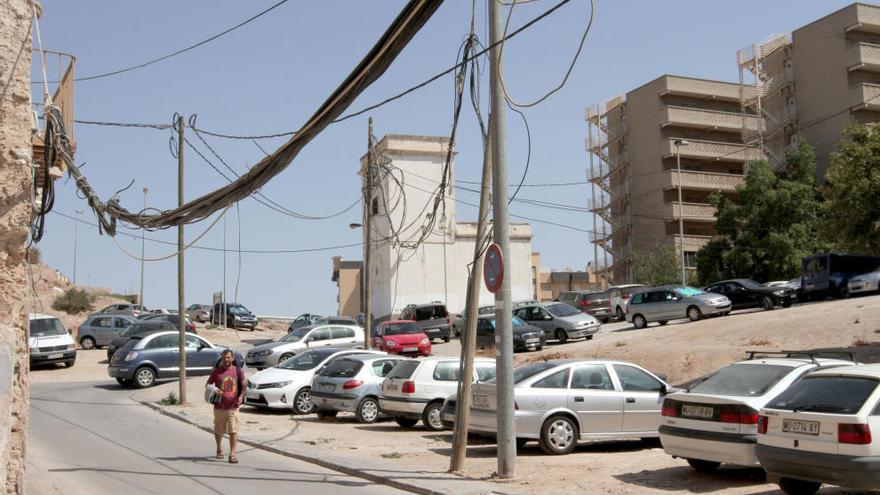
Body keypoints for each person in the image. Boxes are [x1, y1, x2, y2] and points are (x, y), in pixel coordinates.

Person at [206, 349, 245, 463]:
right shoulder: (217, 372)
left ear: (232, 358)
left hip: (233, 407)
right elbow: (208, 384)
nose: (226, 360)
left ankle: (232, 454)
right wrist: (214, 390)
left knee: (233, 431)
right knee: (219, 431)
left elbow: (244, 384)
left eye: (228, 357)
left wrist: (241, 396)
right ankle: (219, 449)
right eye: (223, 358)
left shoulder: (238, 371)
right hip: (219, 407)